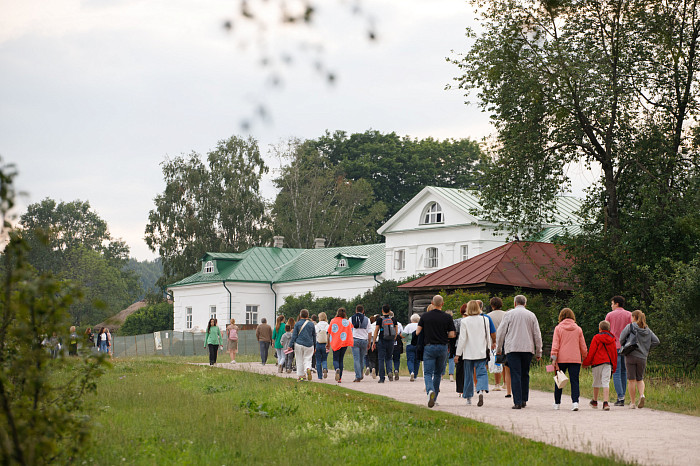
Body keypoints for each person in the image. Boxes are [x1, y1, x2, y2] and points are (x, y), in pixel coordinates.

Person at [495, 295, 542, 409]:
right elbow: (537, 334)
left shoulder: (509, 314)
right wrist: (538, 351)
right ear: (525, 304)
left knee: (515, 374)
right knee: (525, 374)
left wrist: (499, 349)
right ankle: (524, 399)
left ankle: (517, 401)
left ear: (515, 303)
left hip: (513, 348)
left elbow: (501, 333)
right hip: (527, 348)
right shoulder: (531, 315)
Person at [417, 295, 456, 408]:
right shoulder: (447, 317)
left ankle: (429, 391)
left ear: (432, 303)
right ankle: (435, 398)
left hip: (429, 347)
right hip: (443, 347)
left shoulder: (425, 316)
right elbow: (452, 334)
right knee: (438, 373)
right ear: (442, 304)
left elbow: (418, 332)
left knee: (428, 373)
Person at [455, 300, 492, 406]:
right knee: (481, 373)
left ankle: (468, 398)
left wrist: (458, 354)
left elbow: (462, 339)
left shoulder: (465, 321)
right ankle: (480, 390)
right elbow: (487, 336)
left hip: (468, 352)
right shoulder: (485, 319)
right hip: (481, 351)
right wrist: (488, 348)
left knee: (468, 375)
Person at [620, 310, 660, 409]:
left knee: (631, 380)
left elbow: (621, 339)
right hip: (642, 357)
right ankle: (642, 395)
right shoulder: (647, 330)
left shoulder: (630, 326)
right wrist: (646, 348)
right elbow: (656, 341)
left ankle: (633, 403)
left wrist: (625, 344)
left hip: (631, 355)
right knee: (640, 379)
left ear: (634, 317)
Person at [550, 308, 588, 411]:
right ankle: (575, 402)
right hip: (575, 359)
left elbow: (555, 344)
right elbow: (582, 345)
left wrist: (554, 357)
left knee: (559, 381)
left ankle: (557, 403)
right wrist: (584, 356)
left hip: (561, 358)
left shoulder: (558, 328)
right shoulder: (578, 329)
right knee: (574, 381)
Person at [582, 320, 617, 411]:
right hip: (608, 363)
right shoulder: (612, 339)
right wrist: (614, 366)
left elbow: (592, 351)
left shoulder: (596, 338)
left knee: (596, 382)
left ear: (599, 329)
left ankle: (595, 401)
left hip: (597, 363)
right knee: (606, 382)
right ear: (609, 329)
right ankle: (605, 403)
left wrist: (586, 363)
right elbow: (614, 354)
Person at [606, 295, 632, 406]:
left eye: (612, 304)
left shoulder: (610, 315)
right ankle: (623, 396)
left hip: (614, 346)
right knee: (624, 372)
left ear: (616, 304)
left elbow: (605, 330)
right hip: (626, 346)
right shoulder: (629, 314)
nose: (611, 306)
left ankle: (620, 397)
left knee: (616, 372)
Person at [371, 304, 398, 383]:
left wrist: (374, 342)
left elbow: (376, 331)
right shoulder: (393, 319)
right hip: (391, 341)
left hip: (382, 340)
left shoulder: (379, 319)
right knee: (389, 357)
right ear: (389, 311)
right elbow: (396, 329)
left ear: (382, 311)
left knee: (381, 359)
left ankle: (382, 378)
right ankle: (389, 372)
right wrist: (394, 337)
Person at [288, 309, 316, 381]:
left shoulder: (297, 324)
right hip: (309, 345)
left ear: (300, 315)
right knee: (308, 359)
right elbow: (314, 336)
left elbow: (294, 336)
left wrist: (290, 345)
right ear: (308, 315)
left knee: (299, 360)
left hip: (299, 344)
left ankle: (301, 376)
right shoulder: (311, 324)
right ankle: (308, 368)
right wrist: (315, 346)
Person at [487, 297, 509, 392]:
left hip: (493, 341)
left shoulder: (488, 316)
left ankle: (497, 384)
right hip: (505, 340)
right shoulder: (506, 314)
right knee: (505, 363)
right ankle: (505, 383)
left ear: (492, 305)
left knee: (496, 362)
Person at [327, 307, 354, 383]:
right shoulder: (347, 322)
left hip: (336, 342)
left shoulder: (333, 321)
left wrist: (328, 343)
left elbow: (329, 332)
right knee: (341, 359)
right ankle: (340, 378)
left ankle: (337, 369)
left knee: (335, 359)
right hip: (344, 343)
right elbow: (351, 329)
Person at [351, 305, 370, 382]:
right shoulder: (367, 319)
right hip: (364, 340)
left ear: (356, 310)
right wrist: (369, 342)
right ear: (363, 311)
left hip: (355, 339)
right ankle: (361, 374)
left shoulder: (351, 318)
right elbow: (369, 332)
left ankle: (358, 376)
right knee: (362, 358)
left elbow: (349, 330)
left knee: (356, 359)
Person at [403, 313, 421, 381]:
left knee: (410, 360)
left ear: (411, 319)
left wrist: (406, 339)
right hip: (418, 345)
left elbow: (403, 335)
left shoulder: (408, 326)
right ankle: (415, 375)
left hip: (410, 344)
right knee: (417, 361)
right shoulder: (420, 326)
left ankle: (411, 372)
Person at [315, 312, 330, 379]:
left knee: (318, 360)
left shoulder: (316, 326)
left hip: (318, 343)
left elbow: (314, 336)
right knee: (324, 359)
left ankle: (320, 376)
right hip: (325, 344)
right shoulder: (328, 325)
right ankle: (325, 367)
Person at [391, 312, 404, 380]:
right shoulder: (399, 324)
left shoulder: (385, 323)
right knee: (396, 359)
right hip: (397, 342)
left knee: (389, 358)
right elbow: (402, 333)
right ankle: (396, 370)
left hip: (388, 341)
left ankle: (390, 371)